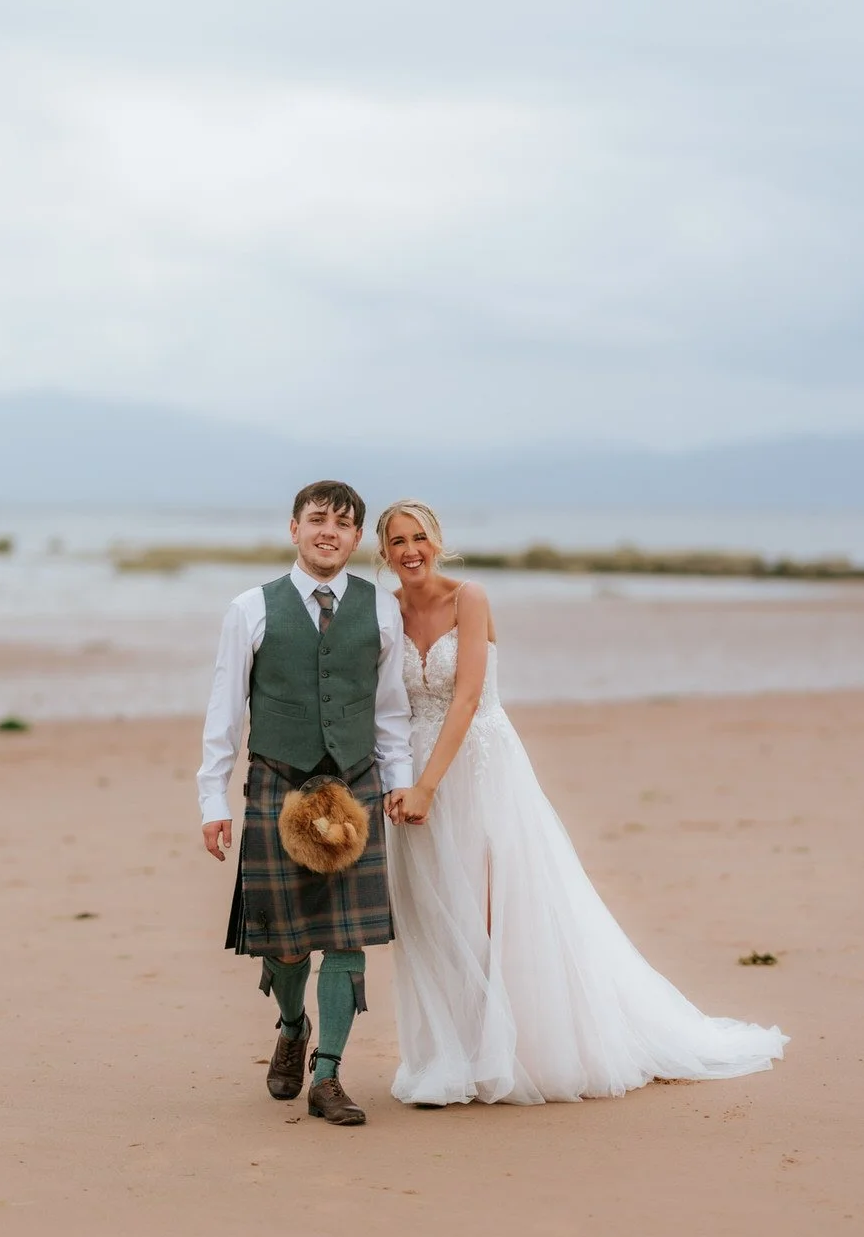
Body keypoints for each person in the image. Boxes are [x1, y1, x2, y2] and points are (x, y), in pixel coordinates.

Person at [380, 501, 788, 1106]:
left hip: (477, 768)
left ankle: (512, 1052)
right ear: (383, 552)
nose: (410, 550)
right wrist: (395, 776)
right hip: (410, 770)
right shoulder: (384, 612)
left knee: (496, 910)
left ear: (438, 543)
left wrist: (428, 787)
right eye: (396, 541)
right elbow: (379, 700)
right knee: (435, 912)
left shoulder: (470, 597)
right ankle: (450, 1054)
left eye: (419, 538)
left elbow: (465, 700)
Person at [198, 481, 414, 1124]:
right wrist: (213, 799)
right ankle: (291, 1026)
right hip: (276, 783)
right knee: (285, 943)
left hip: (355, 787)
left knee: (346, 941)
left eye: (344, 525)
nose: (329, 532)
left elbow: (391, 712)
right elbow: (224, 710)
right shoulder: (249, 609)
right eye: (317, 520)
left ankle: (328, 1075)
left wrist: (398, 780)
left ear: (356, 539)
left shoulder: (382, 611)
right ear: (294, 528)